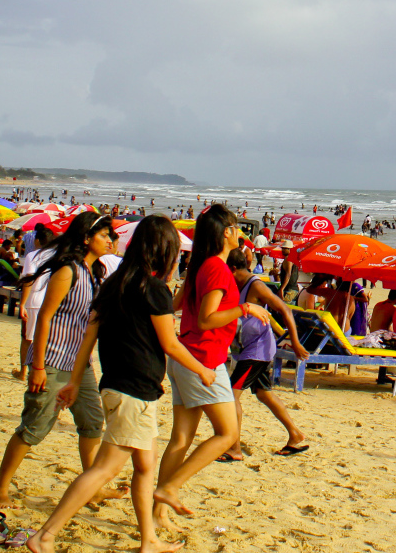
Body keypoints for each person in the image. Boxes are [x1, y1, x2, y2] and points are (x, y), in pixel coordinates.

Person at [24, 216, 205, 553]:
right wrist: (204, 371)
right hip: (133, 391)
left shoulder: (114, 282)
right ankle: (45, 535)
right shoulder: (154, 290)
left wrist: (76, 381)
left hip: (120, 386)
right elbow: (170, 344)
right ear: (165, 251)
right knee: (106, 468)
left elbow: (89, 336)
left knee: (145, 466)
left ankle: (148, 539)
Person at [0, 213, 114, 508]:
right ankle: (0, 489)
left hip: (79, 364)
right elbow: (43, 317)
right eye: (104, 235)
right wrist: (38, 367)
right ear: (86, 238)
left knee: (93, 423)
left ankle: (92, 487)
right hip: (54, 360)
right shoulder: (68, 271)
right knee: (35, 426)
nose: (109, 240)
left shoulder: (94, 273)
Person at [153, 206, 245, 530]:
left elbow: (176, 304)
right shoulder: (217, 269)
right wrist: (243, 308)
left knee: (181, 438)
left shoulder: (199, 265)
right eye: (235, 226)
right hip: (203, 359)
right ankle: (169, 488)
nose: (239, 231)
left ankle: (158, 514)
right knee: (227, 433)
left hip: (184, 358)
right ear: (225, 233)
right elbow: (207, 319)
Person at [222, 226, 310, 461]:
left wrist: (295, 342)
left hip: (257, 350)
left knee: (232, 396)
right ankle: (295, 435)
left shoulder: (255, 285)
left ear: (231, 268)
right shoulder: (236, 286)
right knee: (263, 393)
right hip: (247, 348)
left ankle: (234, 448)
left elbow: (285, 310)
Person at [14, 223, 59, 381]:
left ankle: (23, 371)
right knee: (47, 337)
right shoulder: (57, 256)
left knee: (27, 338)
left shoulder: (32, 256)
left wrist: (22, 303)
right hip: (52, 301)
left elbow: (28, 280)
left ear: (38, 241)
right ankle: (43, 369)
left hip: (34, 300)